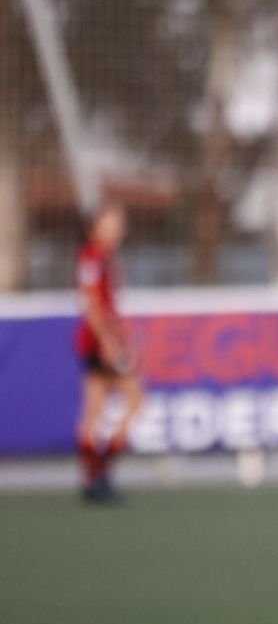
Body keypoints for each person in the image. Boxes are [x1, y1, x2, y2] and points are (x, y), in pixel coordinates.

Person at [73, 202, 142, 503]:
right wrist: (108, 342)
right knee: (134, 400)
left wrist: (123, 335)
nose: (117, 231)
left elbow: (108, 305)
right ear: (95, 227)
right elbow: (92, 305)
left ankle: (94, 476)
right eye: (110, 224)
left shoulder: (105, 257)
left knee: (95, 409)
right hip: (97, 342)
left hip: (101, 339)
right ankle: (99, 472)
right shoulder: (92, 257)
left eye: (119, 225)